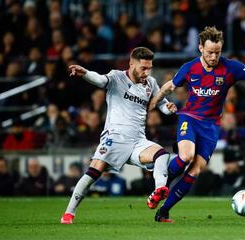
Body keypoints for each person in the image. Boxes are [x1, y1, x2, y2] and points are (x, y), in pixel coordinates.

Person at [149, 26, 245, 222]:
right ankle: (159, 187)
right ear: (200, 48)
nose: (214, 57)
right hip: (189, 118)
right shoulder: (189, 68)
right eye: (210, 52)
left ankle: (163, 211)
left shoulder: (230, 67)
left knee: (195, 170)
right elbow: (170, 86)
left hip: (211, 126)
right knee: (186, 156)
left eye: (218, 52)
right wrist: (155, 101)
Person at [60, 47, 177, 224]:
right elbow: (100, 80)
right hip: (115, 137)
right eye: (143, 68)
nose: (147, 72)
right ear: (131, 64)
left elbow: (161, 103)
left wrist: (168, 109)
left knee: (162, 155)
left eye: (149, 68)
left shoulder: (151, 83)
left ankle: (158, 191)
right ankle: (68, 213)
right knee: (94, 172)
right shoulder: (117, 77)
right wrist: (84, 73)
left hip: (137, 140)